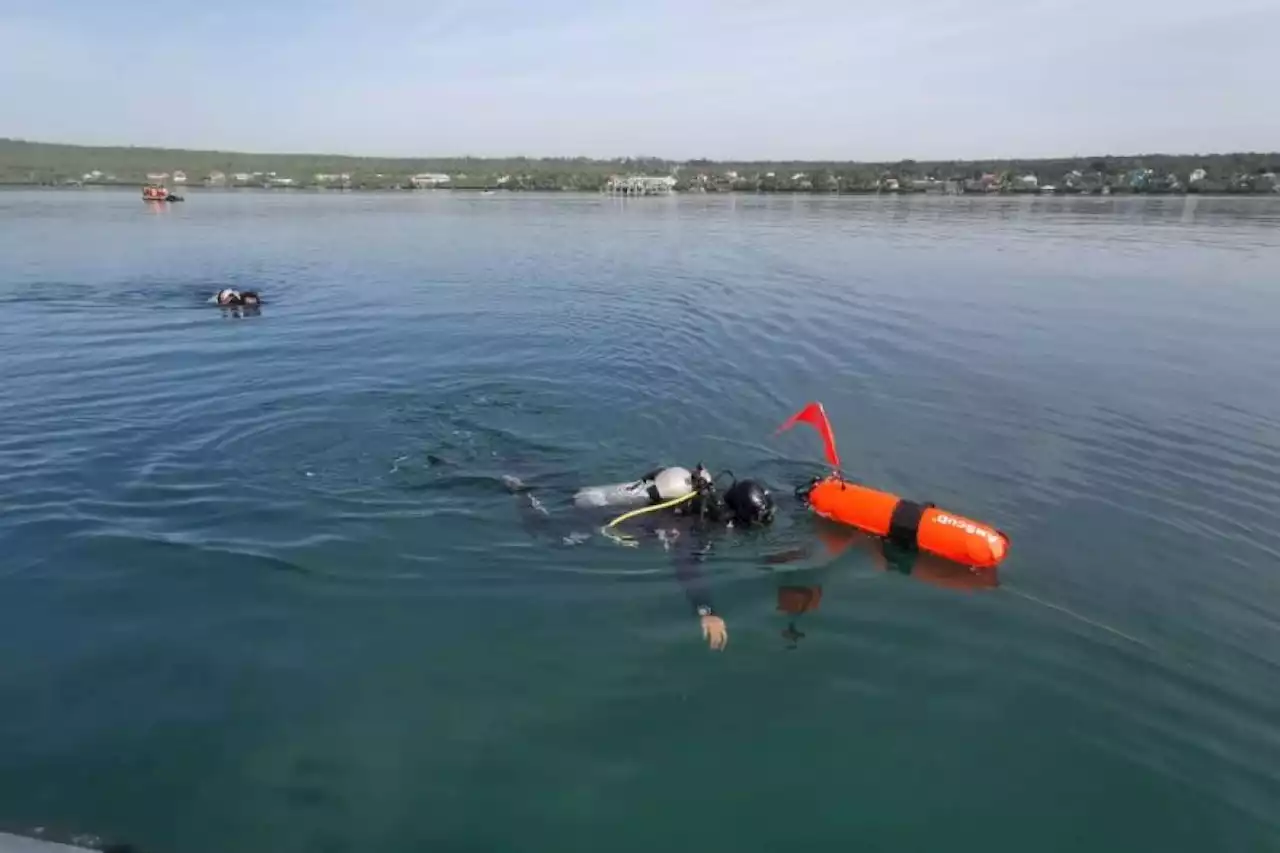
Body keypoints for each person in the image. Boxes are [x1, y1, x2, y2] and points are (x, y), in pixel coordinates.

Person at [507, 464, 776, 651]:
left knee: (574, 495)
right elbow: (686, 568)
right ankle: (521, 495)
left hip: (615, 502)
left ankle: (536, 474)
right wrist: (706, 612)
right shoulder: (695, 528)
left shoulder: (707, 501)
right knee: (557, 539)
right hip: (604, 518)